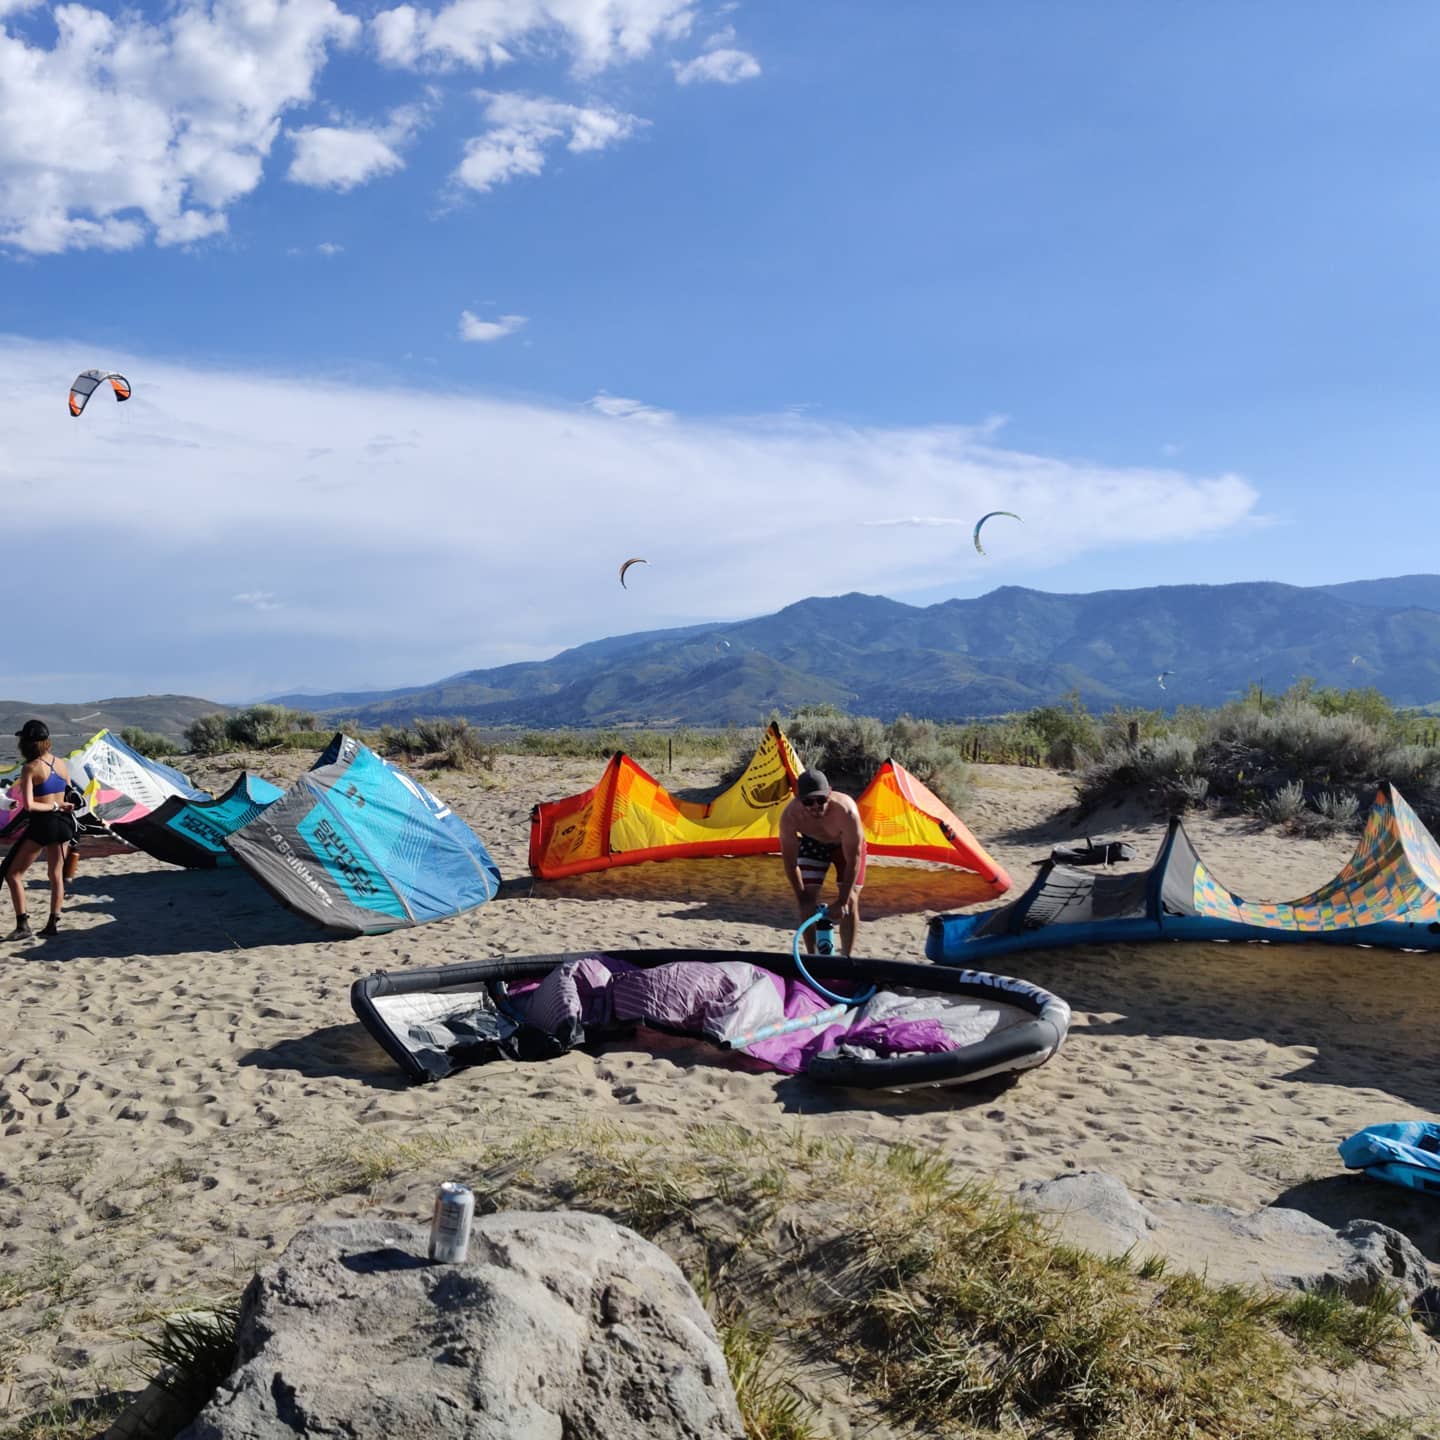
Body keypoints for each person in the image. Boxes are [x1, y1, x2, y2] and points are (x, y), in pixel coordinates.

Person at [779, 767, 867, 958]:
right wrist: (801, 896)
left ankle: (846, 959)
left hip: (845, 847)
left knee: (851, 901)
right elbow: (790, 862)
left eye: (821, 800)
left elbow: (854, 858)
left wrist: (842, 900)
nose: (815, 806)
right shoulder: (790, 817)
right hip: (813, 843)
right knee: (806, 902)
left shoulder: (846, 811)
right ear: (798, 798)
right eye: (808, 802)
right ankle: (812, 958)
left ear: (830, 793)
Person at [5, 720, 77, 940]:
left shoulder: (30, 768)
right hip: (65, 824)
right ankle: (52, 923)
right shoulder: (62, 763)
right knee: (56, 875)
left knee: (13, 874)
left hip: (43, 825)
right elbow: (70, 794)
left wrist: (51, 806)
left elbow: (29, 805)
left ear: (27, 743)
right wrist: (59, 805)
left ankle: (23, 924)